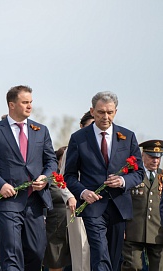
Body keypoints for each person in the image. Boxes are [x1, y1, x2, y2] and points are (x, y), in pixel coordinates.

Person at [0, 85, 58, 271]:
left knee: (37, 252)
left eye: (31, 102)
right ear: (11, 105)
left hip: (35, 203)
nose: (29, 106)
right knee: (11, 254)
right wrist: (0, 185)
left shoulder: (41, 130)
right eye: (25, 102)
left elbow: (51, 162)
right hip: (7, 203)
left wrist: (45, 178)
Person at [64, 91, 144, 271]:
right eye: (100, 112)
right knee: (100, 254)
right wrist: (83, 192)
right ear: (92, 111)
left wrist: (123, 181)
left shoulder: (128, 136)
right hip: (93, 206)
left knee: (114, 258)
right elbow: (69, 175)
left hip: (119, 206)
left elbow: (139, 173)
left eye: (109, 112)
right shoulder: (79, 138)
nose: (105, 117)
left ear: (115, 112)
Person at [121, 139, 163, 271]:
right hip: (133, 230)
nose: (155, 161)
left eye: (158, 157)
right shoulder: (132, 174)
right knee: (133, 267)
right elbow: (122, 201)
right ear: (142, 155)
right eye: (151, 157)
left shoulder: (162, 176)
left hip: (158, 232)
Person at [59, 111, 93, 271]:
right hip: (77, 204)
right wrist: (70, 197)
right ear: (81, 127)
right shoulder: (74, 146)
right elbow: (62, 178)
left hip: (100, 205)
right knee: (82, 250)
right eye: (90, 126)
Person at [43, 146, 71, 271]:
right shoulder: (51, 178)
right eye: (63, 158)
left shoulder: (74, 177)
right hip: (55, 224)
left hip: (73, 222)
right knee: (56, 261)